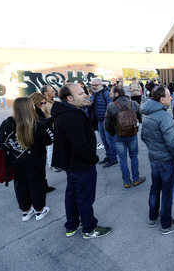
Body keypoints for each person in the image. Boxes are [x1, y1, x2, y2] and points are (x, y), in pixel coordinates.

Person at [52, 83, 112, 238]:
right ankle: (89, 228)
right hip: (81, 165)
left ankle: (72, 224)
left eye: (84, 92)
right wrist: (93, 159)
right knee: (84, 197)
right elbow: (79, 146)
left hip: (73, 164)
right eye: (80, 94)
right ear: (69, 98)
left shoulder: (68, 112)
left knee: (72, 195)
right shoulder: (71, 116)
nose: (86, 95)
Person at [0, 97, 53, 221]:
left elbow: (2, 142)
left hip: (14, 161)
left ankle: (26, 211)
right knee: (37, 184)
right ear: (30, 108)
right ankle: (39, 210)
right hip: (35, 160)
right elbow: (49, 141)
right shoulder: (37, 124)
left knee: (20, 184)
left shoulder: (5, 124)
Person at [141, 86, 174, 235]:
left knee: (155, 187)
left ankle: (153, 217)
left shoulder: (147, 113)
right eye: (169, 96)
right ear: (161, 99)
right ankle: (166, 225)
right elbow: (172, 142)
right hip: (165, 160)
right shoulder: (163, 116)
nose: (171, 98)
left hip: (154, 158)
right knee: (167, 192)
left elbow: (144, 137)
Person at [104, 86, 146, 188]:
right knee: (134, 157)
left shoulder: (111, 106)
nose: (110, 95)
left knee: (122, 159)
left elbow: (107, 124)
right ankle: (136, 179)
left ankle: (127, 182)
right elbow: (140, 118)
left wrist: (112, 134)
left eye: (111, 93)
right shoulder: (134, 104)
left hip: (118, 136)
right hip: (132, 135)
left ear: (117, 94)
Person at [29, 92, 57, 192]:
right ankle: (41, 187)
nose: (43, 105)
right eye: (42, 103)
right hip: (35, 141)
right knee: (38, 165)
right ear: (36, 101)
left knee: (40, 165)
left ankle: (43, 185)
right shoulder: (32, 110)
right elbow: (40, 122)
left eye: (44, 103)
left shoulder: (35, 109)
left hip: (37, 140)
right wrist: (53, 119)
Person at [90, 78, 118, 167]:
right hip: (99, 121)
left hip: (106, 121)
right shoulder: (94, 94)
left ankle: (113, 159)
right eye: (92, 85)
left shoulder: (105, 93)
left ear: (101, 85)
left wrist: (109, 119)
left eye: (96, 85)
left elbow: (111, 106)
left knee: (110, 140)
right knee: (104, 141)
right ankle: (108, 156)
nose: (94, 87)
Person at [40, 85, 62, 173]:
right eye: (52, 91)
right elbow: (42, 117)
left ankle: (57, 162)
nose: (54, 92)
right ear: (45, 93)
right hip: (49, 128)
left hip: (57, 127)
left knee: (57, 146)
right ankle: (51, 165)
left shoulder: (54, 101)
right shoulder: (43, 103)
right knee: (51, 147)